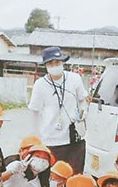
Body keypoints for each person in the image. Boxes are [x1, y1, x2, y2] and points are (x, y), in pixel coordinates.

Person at [28, 46, 89, 174]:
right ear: (46, 65)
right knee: (53, 177)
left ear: (62, 62)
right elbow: (34, 112)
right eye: (50, 63)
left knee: (75, 176)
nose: (54, 66)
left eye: (57, 62)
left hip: (74, 139)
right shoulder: (40, 85)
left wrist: (82, 114)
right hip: (51, 140)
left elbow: (83, 100)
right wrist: (36, 139)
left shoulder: (74, 78)